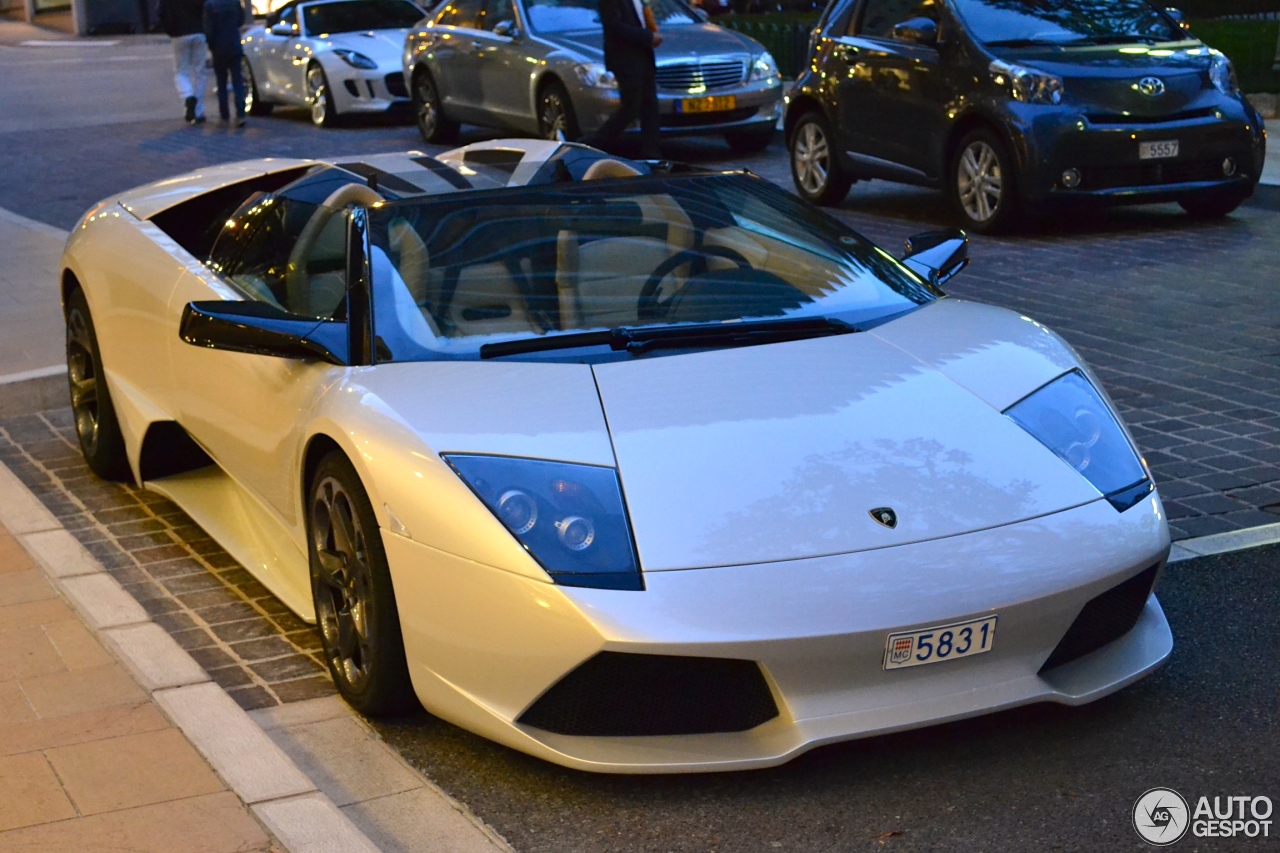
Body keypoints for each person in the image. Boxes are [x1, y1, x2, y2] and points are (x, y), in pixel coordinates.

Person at [586, 0, 662, 159]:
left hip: (643, 56)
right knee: (631, 106)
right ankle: (593, 144)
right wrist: (648, 36)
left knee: (650, 106)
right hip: (625, 59)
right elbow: (614, 27)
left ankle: (652, 155)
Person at [158, 0, 207, 123]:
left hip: (179, 34)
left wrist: (170, 30)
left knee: (181, 71)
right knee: (200, 72)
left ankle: (188, 96)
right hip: (199, 31)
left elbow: (161, 11)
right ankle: (199, 111)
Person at [203, 0, 248, 126]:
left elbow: (209, 30)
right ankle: (240, 114)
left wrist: (211, 45)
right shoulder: (234, 2)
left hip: (219, 47)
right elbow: (241, 20)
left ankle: (224, 116)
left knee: (221, 82)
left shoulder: (210, 5)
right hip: (234, 44)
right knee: (237, 81)